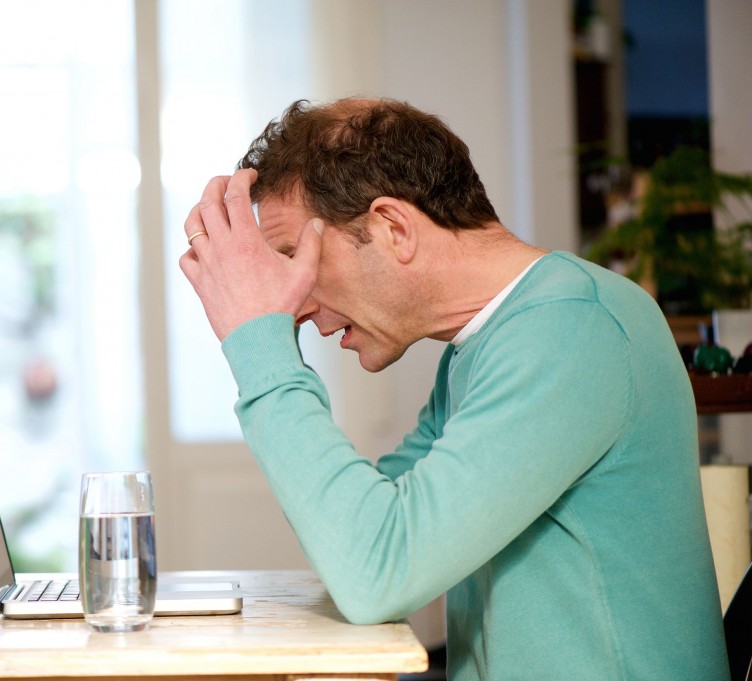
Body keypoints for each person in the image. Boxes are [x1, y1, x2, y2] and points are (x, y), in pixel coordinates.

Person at [178, 98, 728, 680]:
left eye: (297, 258)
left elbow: (374, 569)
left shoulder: (573, 328)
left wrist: (256, 343)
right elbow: (350, 536)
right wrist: (261, 342)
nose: (295, 307)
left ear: (392, 228)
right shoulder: (487, 345)